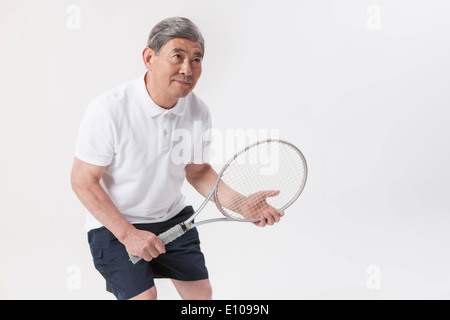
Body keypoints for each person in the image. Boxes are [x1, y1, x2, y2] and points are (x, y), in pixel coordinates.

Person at [71, 17, 283, 300]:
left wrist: (241, 204)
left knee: (201, 296)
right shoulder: (107, 110)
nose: (188, 69)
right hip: (115, 225)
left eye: (196, 59)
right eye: (177, 56)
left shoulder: (198, 111)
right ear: (149, 57)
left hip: (171, 218)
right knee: (145, 297)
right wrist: (128, 234)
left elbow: (197, 172)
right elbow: (83, 180)